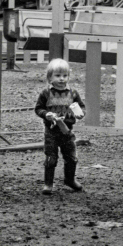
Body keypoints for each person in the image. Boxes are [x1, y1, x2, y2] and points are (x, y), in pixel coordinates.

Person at [34, 58, 86, 195]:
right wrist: (46, 114)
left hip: (67, 131)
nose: (62, 79)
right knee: (51, 157)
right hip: (51, 132)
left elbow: (81, 107)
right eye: (57, 76)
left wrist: (80, 113)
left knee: (71, 157)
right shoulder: (46, 93)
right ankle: (48, 183)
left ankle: (69, 179)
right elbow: (38, 109)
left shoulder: (73, 93)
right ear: (49, 77)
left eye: (65, 75)